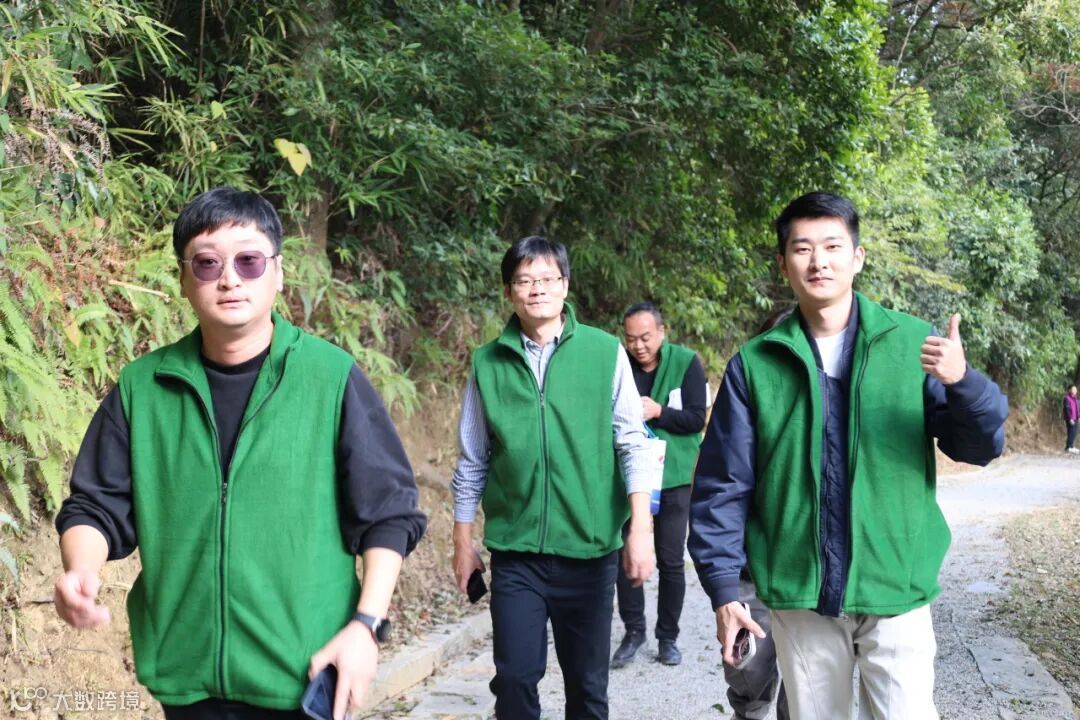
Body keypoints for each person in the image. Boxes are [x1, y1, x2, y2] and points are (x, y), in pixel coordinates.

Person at [53, 187, 427, 720]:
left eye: (249, 261)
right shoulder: (144, 387)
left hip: (306, 673)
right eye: (207, 264)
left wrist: (366, 627)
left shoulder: (330, 378)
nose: (229, 278)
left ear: (278, 273)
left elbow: (389, 514)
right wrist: (80, 571)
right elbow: (95, 506)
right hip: (186, 678)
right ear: (184, 280)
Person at [689, 191, 1008, 720]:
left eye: (833, 246)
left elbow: (980, 447)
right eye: (803, 248)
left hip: (895, 584)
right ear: (783, 263)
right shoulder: (757, 363)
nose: (819, 261)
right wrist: (725, 590)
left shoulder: (911, 344)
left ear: (857, 257)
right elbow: (723, 484)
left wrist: (963, 383)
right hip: (800, 592)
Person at [450, 236, 657, 720]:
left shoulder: (605, 352)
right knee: (515, 682)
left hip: (589, 553)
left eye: (547, 278)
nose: (536, 289)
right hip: (517, 553)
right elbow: (473, 459)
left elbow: (632, 443)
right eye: (524, 280)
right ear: (509, 291)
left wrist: (640, 529)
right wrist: (462, 541)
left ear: (565, 285)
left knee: (587, 687)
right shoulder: (487, 363)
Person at [610, 302, 706, 668]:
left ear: (662, 333)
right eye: (631, 338)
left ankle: (668, 637)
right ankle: (634, 631)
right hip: (629, 476)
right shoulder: (618, 363)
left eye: (646, 337)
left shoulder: (686, 362)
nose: (638, 346)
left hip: (674, 476)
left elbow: (696, 419)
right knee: (626, 554)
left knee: (670, 558)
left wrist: (659, 412)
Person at [1064, 385, 1078, 453]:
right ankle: (1069, 447)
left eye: (1075, 389)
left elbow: (1077, 409)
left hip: (1076, 418)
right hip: (1070, 418)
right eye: (1073, 389)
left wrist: (1078, 417)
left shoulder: (1076, 399)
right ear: (1069, 390)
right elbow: (1067, 409)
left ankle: (1071, 446)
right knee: (1071, 432)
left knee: (1074, 433)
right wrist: (1070, 418)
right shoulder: (1067, 398)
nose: (1075, 390)